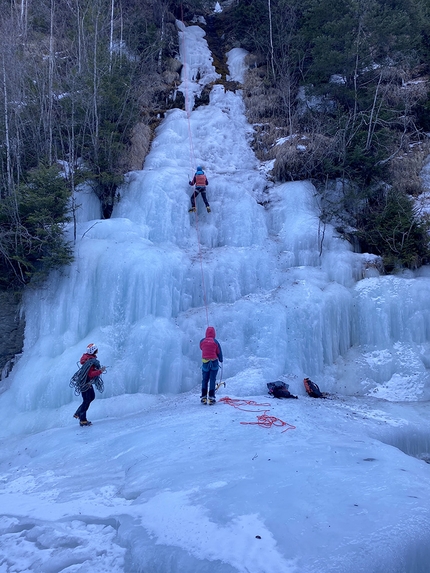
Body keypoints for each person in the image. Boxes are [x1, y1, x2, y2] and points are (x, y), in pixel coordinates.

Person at [73, 343, 106, 426]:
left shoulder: (89, 359)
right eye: (96, 349)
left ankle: (78, 413)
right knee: (87, 400)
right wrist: (100, 371)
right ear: (94, 351)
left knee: (91, 397)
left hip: (85, 383)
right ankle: (82, 419)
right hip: (85, 383)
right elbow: (90, 374)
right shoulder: (90, 362)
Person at [199, 326, 223, 404]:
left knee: (205, 380)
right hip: (214, 362)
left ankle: (203, 397)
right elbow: (219, 352)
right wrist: (221, 359)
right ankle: (211, 397)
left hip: (205, 363)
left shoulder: (202, 341)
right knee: (212, 379)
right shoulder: (215, 342)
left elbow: (201, 348)